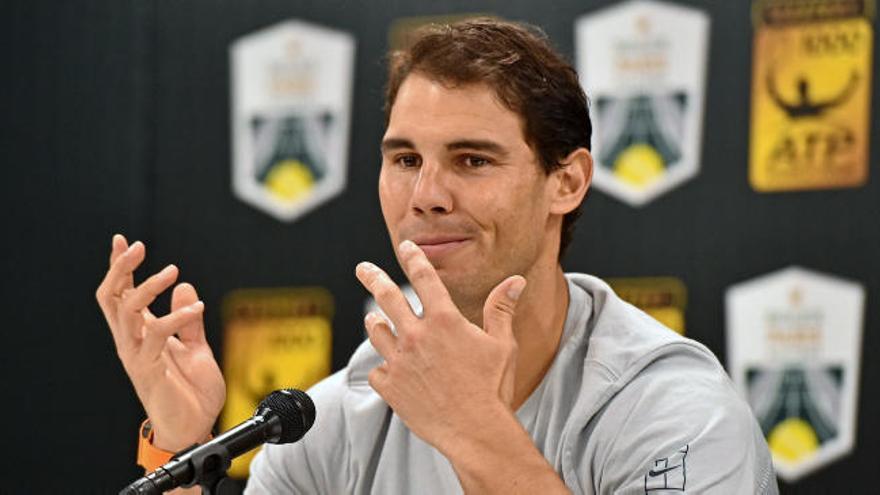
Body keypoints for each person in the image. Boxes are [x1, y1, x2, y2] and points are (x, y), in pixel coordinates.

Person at [97, 18, 778, 494]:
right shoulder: (328, 421)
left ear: (565, 181)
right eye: (404, 159)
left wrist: (473, 428)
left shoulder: (676, 413)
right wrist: (182, 453)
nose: (425, 195)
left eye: (471, 159)